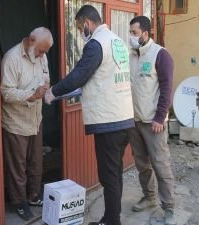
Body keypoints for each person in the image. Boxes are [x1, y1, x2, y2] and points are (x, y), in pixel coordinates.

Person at [45, 5, 134, 225]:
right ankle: (112, 218)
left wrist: (52, 92)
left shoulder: (96, 44)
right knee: (115, 173)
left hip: (109, 121)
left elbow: (79, 76)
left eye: (78, 27)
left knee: (108, 176)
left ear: (86, 22)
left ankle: (112, 221)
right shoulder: (116, 40)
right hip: (124, 117)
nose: (79, 31)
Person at [0, 27, 53, 221]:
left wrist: (46, 86)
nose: (42, 55)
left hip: (35, 119)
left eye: (44, 52)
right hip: (16, 121)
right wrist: (31, 95)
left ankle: (33, 196)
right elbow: (5, 92)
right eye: (40, 50)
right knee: (18, 166)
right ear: (31, 40)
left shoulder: (41, 56)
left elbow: (46, 75)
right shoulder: (12, 58)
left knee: (36, 163)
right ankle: (19, 202)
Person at [128, 16, 176, 225]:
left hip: (153, 122)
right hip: (134, 120)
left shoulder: (161, 55)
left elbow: (167, 89)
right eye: (130, 32)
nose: (131, 37)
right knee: (142, 164)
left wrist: (159, 117)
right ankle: (149, 197)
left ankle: (169, 207)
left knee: (160, 164)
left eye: (134, 33)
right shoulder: (131, 55)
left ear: (145, 34)